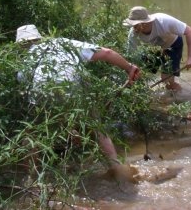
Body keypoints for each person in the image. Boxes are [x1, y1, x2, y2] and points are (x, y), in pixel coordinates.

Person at [15, 24, 141, 183]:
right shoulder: (62, 43)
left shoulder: (26, 61)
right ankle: (116, 169)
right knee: (97, 128)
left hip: (41, 94)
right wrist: (129, 68)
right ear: (40, 38)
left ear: (20, 45)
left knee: (32, 132)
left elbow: (30, 90)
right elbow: (107, 53)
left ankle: (32, 179)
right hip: (72, 87)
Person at [123, 6, 191, 91]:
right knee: (140, 75)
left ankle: (181, 96)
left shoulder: (164, 21)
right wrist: (132, 74)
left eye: (135, 25)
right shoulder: (133, 34)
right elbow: (132, 57)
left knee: (167, 82)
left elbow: (189, 31)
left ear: (144, 23)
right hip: (154, 49)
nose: (133, 28)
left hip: (173, 45)